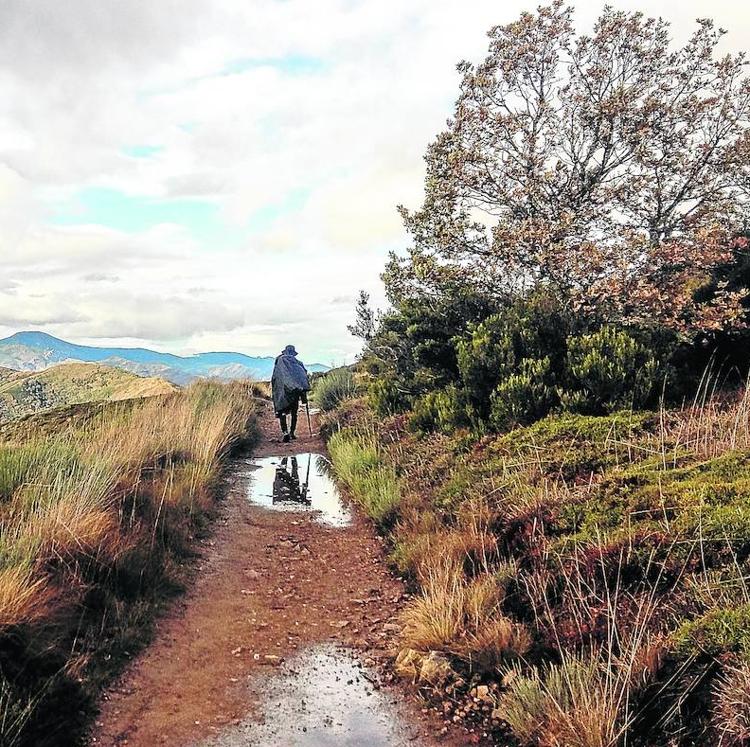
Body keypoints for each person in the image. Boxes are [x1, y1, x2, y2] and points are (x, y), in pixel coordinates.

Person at [271, 344, 310, 443]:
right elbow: (303, 378)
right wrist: (303, 396)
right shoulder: (298, 363)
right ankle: (292, 433)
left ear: (285, 352)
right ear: (293, 353)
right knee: (294, 413)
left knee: (282, 411)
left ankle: (285, 432)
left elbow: (275, 378)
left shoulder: (280, 361)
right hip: (295, 392)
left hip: (283, 391)